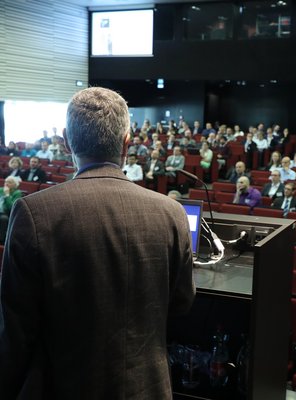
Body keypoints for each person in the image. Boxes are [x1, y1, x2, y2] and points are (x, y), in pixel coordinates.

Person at [0, 87, 195, 399]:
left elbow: (16, 329)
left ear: (65, 141)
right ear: (127, 142)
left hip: (62, 387)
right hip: (147, 388)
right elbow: (182, 303)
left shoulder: (34, 213)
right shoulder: (171, 212)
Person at [0, 176, 22, 243]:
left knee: (3, 219)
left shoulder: (17, 193)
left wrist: (7, 195)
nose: (6, 184)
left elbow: (11, 207)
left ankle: (1, 240)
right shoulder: (1, 189)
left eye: (9, 182)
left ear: (15, 185)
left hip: (7, 213)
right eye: (6, 182)